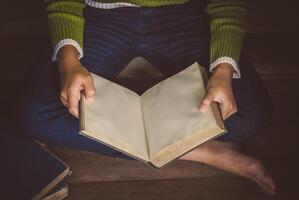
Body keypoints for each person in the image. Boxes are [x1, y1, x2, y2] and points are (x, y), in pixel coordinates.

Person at [22, 0, 276, 195]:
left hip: (186, 15)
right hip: (99, 15)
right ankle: (199, 150)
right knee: (36, 116)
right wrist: (68, 60)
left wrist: (223, 70)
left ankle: (166, 129)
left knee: (251, 115)